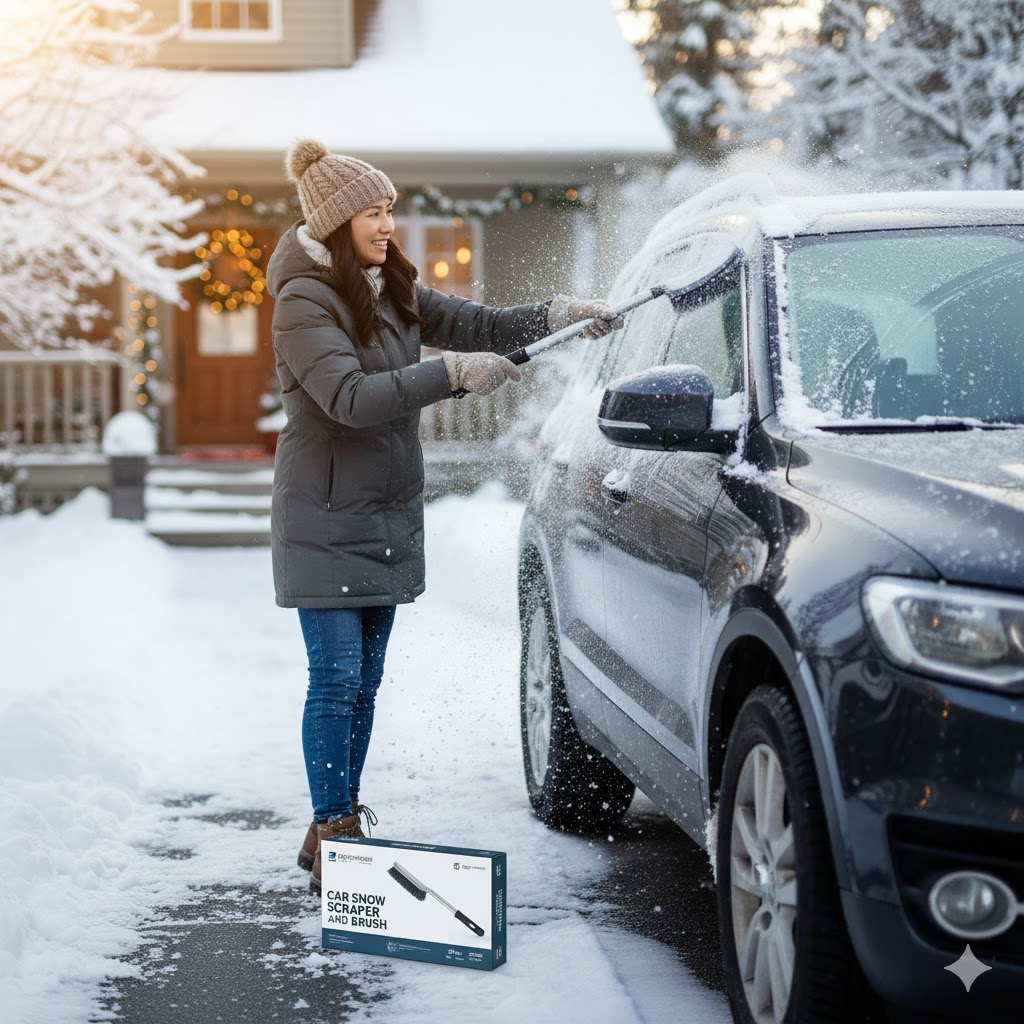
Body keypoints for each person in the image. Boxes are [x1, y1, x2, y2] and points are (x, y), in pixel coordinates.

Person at [266, 139, 623, 894]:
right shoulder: (304, 300)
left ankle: (333, 821)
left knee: (364, 682)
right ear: (335, 221)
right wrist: (449, 375)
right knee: (334, 680)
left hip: (384, 512)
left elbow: (476, 323)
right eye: (372, 211)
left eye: (389, 208)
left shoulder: (383, 285)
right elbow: (349, 399)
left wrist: (555, 314)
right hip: (325, 516)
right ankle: (335, 827)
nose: (387, 223)